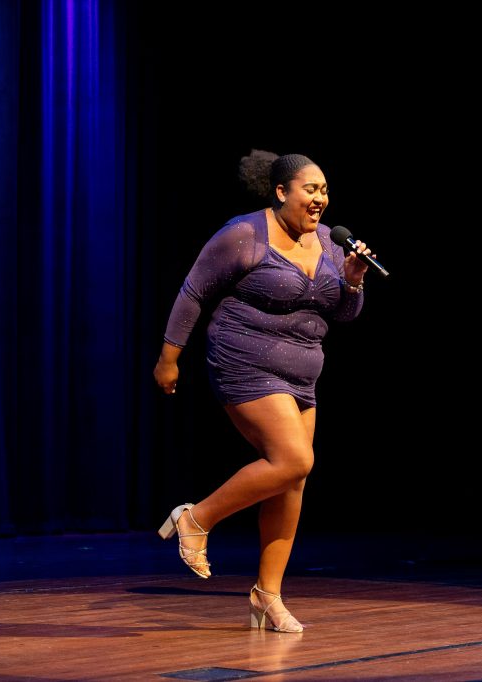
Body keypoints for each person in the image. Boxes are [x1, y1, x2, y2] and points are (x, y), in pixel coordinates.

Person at [153, 150, 373, 633]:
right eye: (310, 189)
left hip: (303, 375)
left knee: (291, 481)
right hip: (245, 360)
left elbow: (342, 315)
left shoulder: (329, 243)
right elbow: (193, 292)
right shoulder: (245, 234)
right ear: (281, 192)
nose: (319, 198)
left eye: (324, 190)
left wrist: (353, 283)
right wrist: (169, 358)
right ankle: (196, 519)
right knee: (294, 460)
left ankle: (266, 597)